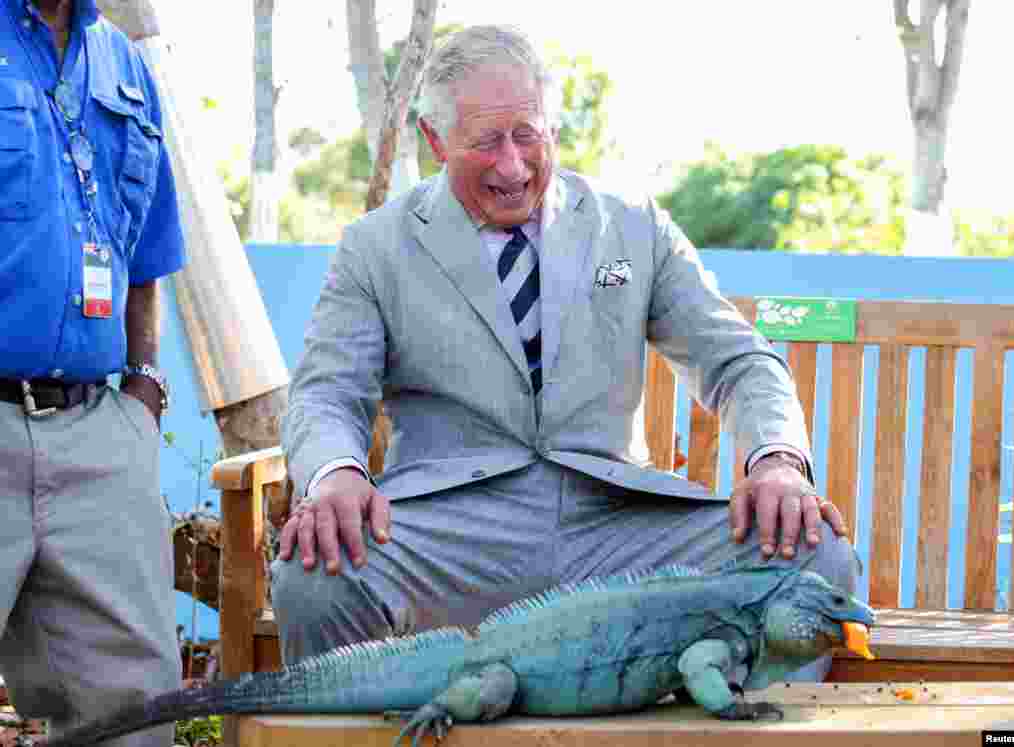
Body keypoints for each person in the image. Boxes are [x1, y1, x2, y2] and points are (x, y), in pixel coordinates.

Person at [274, 25, 856, 683]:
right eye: (486, 141)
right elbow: (325, 390)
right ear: (435, 141)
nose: (512, 165)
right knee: (313, 577)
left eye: (528, 135)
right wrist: (335, 474)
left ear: (552, 126)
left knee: (817, 558)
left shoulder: (632, 224)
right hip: (451, 535)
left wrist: (776, 460)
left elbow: (740, 360)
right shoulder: (375, 246)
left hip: (616, 525)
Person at [0, 1, 185, 745]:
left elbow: (148, 256)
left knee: (135, 716)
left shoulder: (126, 68)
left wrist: (142, 393)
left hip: (99, 431)